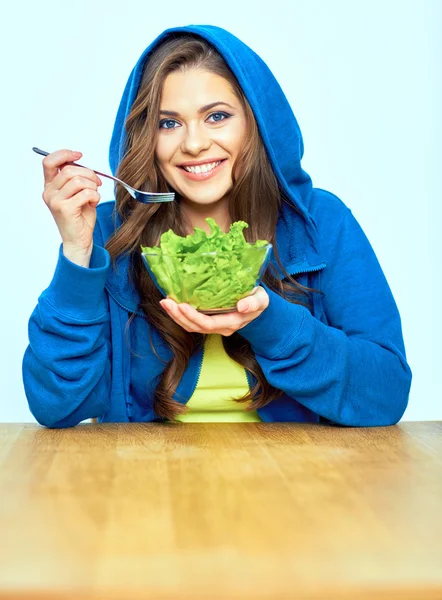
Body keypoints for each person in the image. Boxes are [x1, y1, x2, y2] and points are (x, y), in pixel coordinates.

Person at [23, 25, 412, 428]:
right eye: (168, 123)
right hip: (144, 482)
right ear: (145, 136)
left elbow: (385, 397)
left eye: (217, 116)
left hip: (294, 481)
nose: (193, 144)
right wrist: (76, 251)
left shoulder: (321, 222)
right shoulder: (109, 230)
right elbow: (57, 406)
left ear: (254, 123)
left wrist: (268, 322)